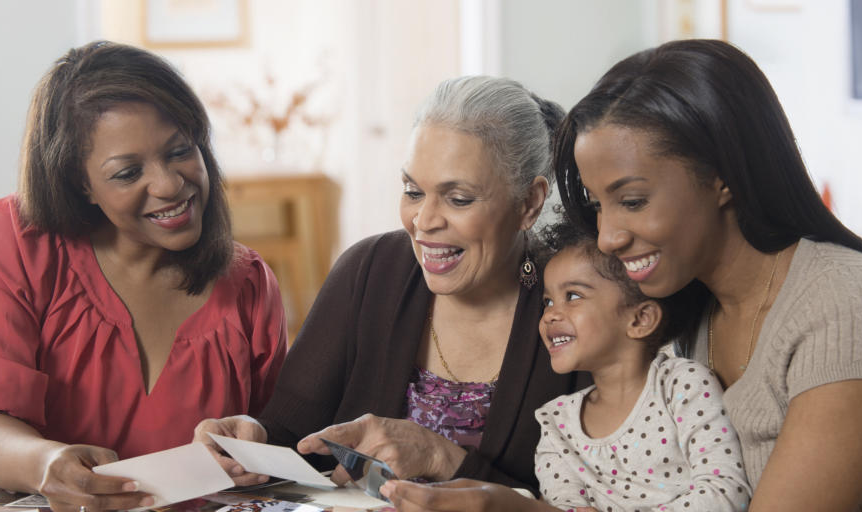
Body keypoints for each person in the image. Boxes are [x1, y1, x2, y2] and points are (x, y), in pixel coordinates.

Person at [384, 39, 862, 512]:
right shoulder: (679, 313)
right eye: (597, 206)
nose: (610, 236)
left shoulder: (852, 303)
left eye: (633, 200)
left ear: (722, 178)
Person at [195, 76, 589, 491]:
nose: (424, 222)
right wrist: (250, 441)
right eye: (413, 191)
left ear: (529, 203)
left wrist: (441, 457)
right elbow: (291, 434)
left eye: (458, 199)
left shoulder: (581, 307)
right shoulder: (368, 271)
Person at [0, 41, 287, 512]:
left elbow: (275, 427)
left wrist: (250, 437)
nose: (169, 185)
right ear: (81, 183)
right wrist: (43, 464)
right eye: (128, 172)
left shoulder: (248, 284)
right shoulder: (18, 242)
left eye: (180, 151)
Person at [488, 222, 750, 512]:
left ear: (640, 318)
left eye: (572, 296)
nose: (551, 313)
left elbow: (727, 489)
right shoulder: (555, 422)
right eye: (549, 300)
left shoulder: (683, 385)